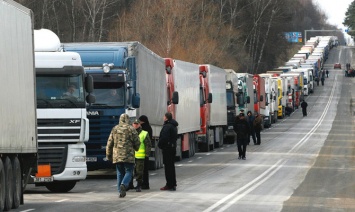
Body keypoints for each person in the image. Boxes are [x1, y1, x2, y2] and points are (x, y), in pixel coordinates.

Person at [106, 113, 140, 198]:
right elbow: (137, 142)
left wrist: (109, 155)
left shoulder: (115, 129)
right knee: (129, 171)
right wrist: (136, 148)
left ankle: (120, 191)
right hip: (128, 155)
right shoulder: (131, 129)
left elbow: (109, 143)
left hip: (117, 155)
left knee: (120, 173)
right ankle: (124, 184)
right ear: (128, 120)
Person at [129, 119, 151, 192]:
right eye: (134, 124)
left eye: (137, 124)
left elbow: (148, 145)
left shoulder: (144, 133)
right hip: (131, 156)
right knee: (130, 171)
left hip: (140, 156)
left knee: (139, 172)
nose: (135, 125)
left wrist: (147, 154)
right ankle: (130, 185)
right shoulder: (130, 133)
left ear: (139, 125)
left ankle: (139, 185)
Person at [158, 112, 178, 191]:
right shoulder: (174, 126)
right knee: (171, 167)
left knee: (168, 167)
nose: (163, 118)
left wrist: (160, 145)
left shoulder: (167, 126)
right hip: (172, 148)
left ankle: (169, 184)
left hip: (167, 149)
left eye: (164, 116)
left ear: (166, 118)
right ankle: (173, 184)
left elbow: (164, 138)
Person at [139, 115, 153, 189]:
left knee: (142, 170)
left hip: (142, 152)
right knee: (145, 169)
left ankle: (144, 184)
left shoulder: (143, 129)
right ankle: (145, 183)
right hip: (145, 152)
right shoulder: (149, 127)